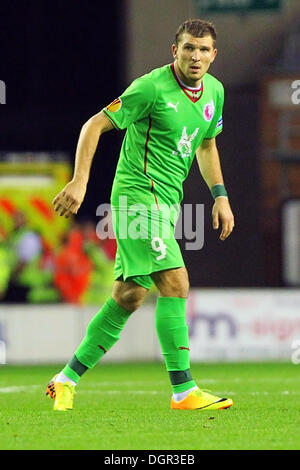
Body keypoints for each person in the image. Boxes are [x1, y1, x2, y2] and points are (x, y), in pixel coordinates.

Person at [46, 18, 235, 411]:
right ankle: (184, 391)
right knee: (176, 282)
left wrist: (221, 196)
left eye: (203, 50)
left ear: (214, 55)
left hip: (166, 203)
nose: (195, 56)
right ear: (175, 51)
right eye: (188, 48)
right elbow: (94, 125)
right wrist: (80, 180)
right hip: (136, 198)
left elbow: (207, 146)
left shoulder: (214, 91)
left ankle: (65, 379)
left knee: (130, 295)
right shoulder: (150, 88)